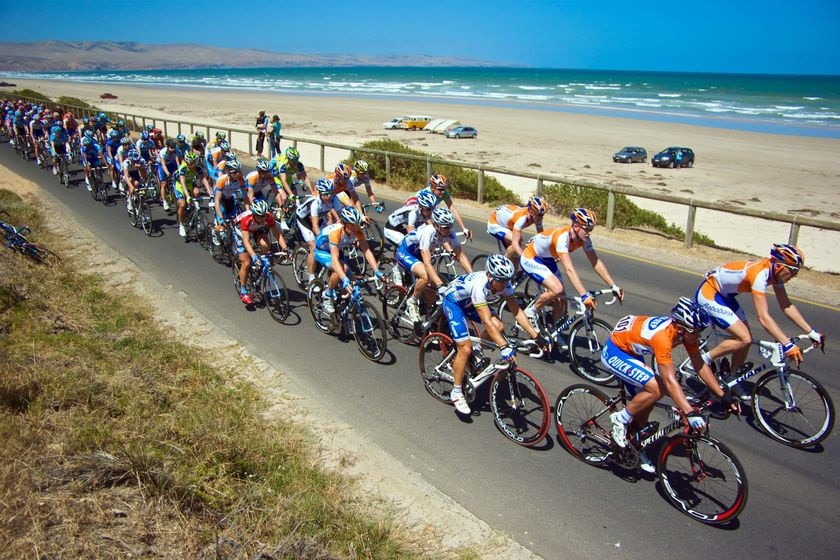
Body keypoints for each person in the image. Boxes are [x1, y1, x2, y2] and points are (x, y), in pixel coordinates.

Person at [601, 298, 739, 473]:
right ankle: (619, 420)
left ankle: (633, 444)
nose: (699, 335)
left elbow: (700, 365)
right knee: (657, 388)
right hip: (615, 351)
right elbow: (669, 381)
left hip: (632, 350)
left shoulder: (684, 332)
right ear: (682, 328)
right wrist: (689, 412)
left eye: (701, 330)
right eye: (697, 331)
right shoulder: (663, 337)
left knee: (646, 403)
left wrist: (722, 395)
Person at [695, 243, 823, 399]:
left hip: (725, 296)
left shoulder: (775, 273)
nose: (794, 276)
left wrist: (811, 332)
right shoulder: (760, 275)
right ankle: (700, 361)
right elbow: (763, 317)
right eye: (793, 271)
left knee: (745, 340)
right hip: (709, 293)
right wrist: (787, 344)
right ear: (780, 266)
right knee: (744, 338)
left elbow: (786, 306)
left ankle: (731, 377)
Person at [442, 255, 542, 415]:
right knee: (465, 349)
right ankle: (456, 391)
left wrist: (536, 336)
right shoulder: (479, 286)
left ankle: (478, 349)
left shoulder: (505, 285)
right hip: (455, 302)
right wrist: (504, 347)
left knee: (499, 326)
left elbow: (517, 312)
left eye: (507, 280)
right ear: (489, 276)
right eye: (500, 280)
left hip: (471, 303)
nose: (504, 284)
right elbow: (486, 321)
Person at [519, 208, 624, 328]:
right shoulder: (562, 238)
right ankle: (529, 313)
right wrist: (584, 295)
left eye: (591, 230)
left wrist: (613, 285)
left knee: (562, 298)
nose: (589, 233)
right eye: (587, 229)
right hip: (531, 256)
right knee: (557, 289)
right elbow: (569, 269)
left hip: (547, 259)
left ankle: (550, 331)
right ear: (576, 226)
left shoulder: (584, 240)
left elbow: (595, 262)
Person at [395, 207, 472, 322]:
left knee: (434, 288)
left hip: (419, 254)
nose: (449, 230)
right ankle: (412, 301)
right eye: (446, 227)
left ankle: (428, 316)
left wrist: (472, 275)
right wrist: (440, 285)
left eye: (451, 226)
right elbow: (427, 263)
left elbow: (460, 255)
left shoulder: (449, 233)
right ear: (436, 225)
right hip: (406, 252)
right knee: (427, 276)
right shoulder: (428, 233)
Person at [313, 206, 383, 314]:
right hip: (322, 250)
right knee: (342, 269)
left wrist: (377, 271)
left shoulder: (357, 231)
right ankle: (327, 294)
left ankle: (342, 309)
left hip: (337, 248)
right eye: (351, 225)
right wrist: (344, 279)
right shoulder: (336, 232)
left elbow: (367, 251)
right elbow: (335, 260)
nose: (355, 228)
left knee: (352, 280)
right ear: (344, 223)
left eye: (356, 224)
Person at [233, 199, 289, 305]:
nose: (263, 218)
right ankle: (243, 290)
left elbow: (277, 235)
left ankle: (259, 268)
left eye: (264, 215)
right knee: (246, 262)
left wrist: (285, 248)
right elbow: (245, 241)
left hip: (256, 228)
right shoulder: (247, 219)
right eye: (260, 216)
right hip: (241, 230)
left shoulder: (267, 217)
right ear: (254, 214)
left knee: (266, 244)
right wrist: (253, 255)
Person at [296, 178, 342, 285]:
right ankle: (311, 277)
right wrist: (321, 238)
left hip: (320, 217)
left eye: (331, 193)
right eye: (326, 194)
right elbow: (315, 225)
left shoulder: (334, 199)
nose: (329, 196)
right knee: (314, 246)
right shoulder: (315, 203)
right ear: (320, 193)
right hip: (304, 220)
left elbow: (340, 217)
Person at [486, 196, 548, 267]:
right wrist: (526, 259)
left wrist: (550, 252)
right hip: (495, 223)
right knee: (517, 244)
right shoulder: (521, 219)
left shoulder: (536, 217)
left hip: (506, 222)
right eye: (540, 215)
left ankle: (513, 277)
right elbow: (515, 244)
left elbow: (541, 237)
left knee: (516, 257)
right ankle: (501, 268)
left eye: (542, 215)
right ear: (531, 212)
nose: (541, 217)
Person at [412, 174, 472, 240]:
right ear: (432, 188)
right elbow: (426, 216)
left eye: (444, 189)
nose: (442, 192)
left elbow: (452, 208)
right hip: (414, 206)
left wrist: (464, 228)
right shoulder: (426, 194)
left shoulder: (443, 192)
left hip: (427, 210)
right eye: (440, 189)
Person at [175, 151, 214, 237]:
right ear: (187, 162)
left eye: (194, 162)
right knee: (182, 204)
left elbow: (204, 180)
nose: (193, 165)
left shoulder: (197, 168)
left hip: (190, 182)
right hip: (180, 185)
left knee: (197, 192)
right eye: (191, 163)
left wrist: (210, 193)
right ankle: (181, 225)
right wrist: (188, 196)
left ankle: (195, 210)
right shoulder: (183, 168)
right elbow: (183, 183)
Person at [157, 138, 180, 210]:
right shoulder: (162, 152)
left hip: (170, 164)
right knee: (163, 183)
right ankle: (164, 202)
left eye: (174, 147)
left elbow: (178, 162)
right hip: (162, 165)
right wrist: (168, 174)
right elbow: (163, 165)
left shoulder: (176, 151)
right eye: (171, 148)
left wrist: (179, 170)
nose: (173, 149)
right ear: (167, 147)